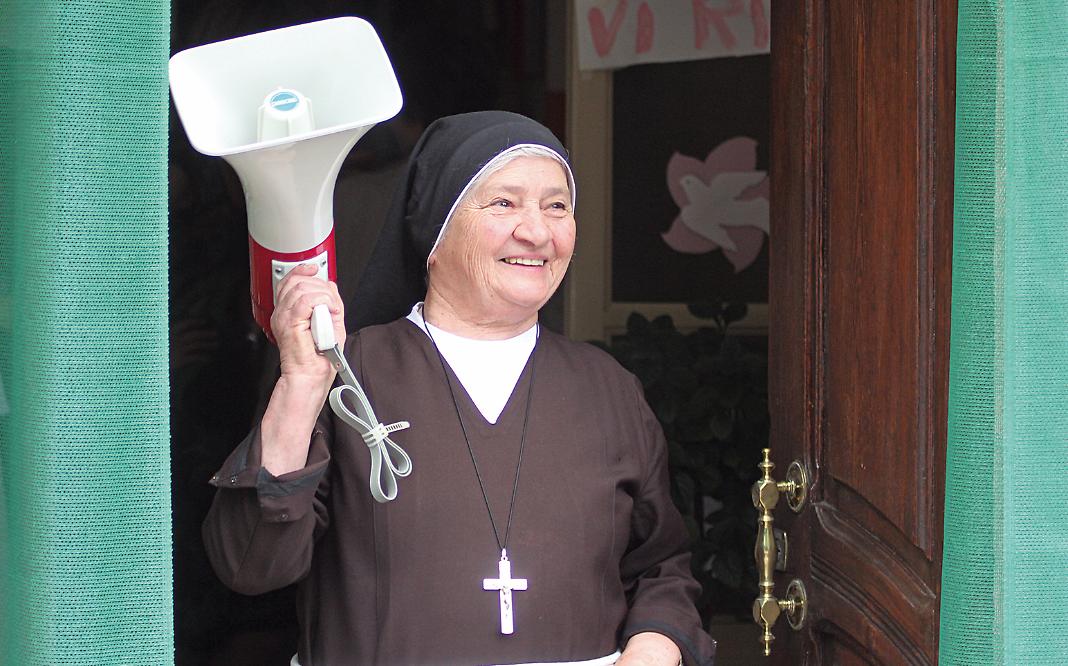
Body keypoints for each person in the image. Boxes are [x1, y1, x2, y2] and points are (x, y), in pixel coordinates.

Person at [203, 111, 716, 666]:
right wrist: (301, 384)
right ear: (435, 227)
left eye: (556, 206)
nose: (537, 231)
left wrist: (653, 649)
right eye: (504, 203)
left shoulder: (608, 389)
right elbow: (251, 564)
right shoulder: (349, 374)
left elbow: (662, 568)